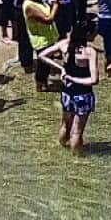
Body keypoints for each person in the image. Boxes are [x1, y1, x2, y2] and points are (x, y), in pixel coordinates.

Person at [38, 22, 100, 153]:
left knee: (66, 125)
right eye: (94, 32)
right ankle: (76, 157)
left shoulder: (64, 45)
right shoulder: (89, 52)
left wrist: (61, 69)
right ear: (87, 34)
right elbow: (94, 80)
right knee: (77, 131)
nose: (96, 34)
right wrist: (73, 78)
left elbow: (42, 55)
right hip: (82, 94)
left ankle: (61, 150)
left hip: (66, 93)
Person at [21, 0, 60, 93]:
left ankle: (45, 84)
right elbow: (48, 19)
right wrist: (56, 5)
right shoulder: (29, 6)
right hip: (41, 40)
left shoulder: (38, 0)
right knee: (43, 65)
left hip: (49, 37)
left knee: (48, 64)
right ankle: (39, 86)